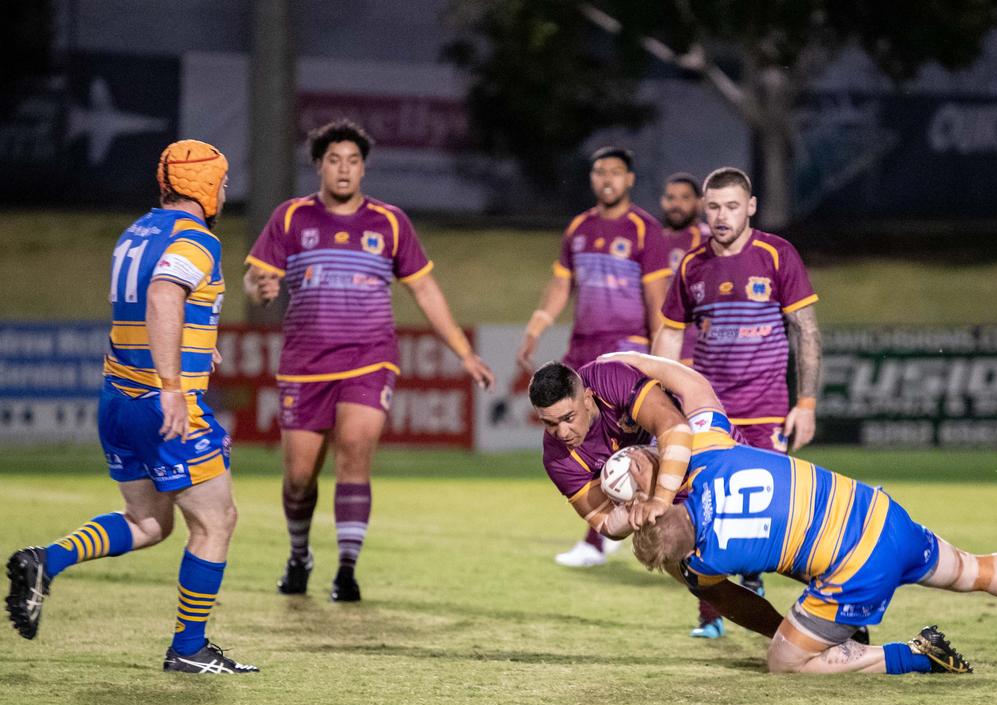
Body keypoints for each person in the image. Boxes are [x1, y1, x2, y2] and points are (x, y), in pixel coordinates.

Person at [610, 352, 997, 676]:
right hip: (879, 512)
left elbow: (745, 608)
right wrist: (631, 361)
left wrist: (788, 635)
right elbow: (695, 387)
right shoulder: (706, 450)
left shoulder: (703, 562)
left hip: (856, 568)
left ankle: (916, 655)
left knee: (785, 663)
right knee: (976, 570)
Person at [5, 140, 258, 673]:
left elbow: (144, 301)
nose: (226, 190)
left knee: (148, 522)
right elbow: (165, 294)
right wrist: (170, 384)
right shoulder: (195, 239)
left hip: (116, 398)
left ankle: (46, 561)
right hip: (159, 404)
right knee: (217, 522)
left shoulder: (136, 232)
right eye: (223, 180)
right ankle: (188, 649)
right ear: (206, 185)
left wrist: (199, 337)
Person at [243, 120, 494, 602]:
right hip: (304, 364)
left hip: (368, 358)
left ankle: (346, 569)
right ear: (319, 165)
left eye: (353, 161)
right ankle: (299, 556)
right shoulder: (292, 218)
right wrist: (261, 288)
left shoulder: (390, 222)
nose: (343, 169)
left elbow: (423, 288)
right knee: (298, 480)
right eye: (334, 160)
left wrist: (464, 353)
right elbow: (256, 280)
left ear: (363, 168)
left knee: (355, 453)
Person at [651, 167, 823, 637]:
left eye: (731, 206)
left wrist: (805, 403)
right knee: (701, 508)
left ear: (750, 207)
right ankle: (712, 614)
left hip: (767, 405)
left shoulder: (776, 254)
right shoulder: (691, 265)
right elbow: (669, 333)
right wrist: (661, 398)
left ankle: (809, 603)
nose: (721, 216)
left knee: (773, 514)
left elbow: (805, 329)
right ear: (702, 210)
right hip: (710, 413)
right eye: (713, 207)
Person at [528, 359, 781, 634]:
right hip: (658, 491)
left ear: (587, 399)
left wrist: (659, 498)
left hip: (698, 451)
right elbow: (606, 525)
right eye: (550, 423)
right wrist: (641, 499)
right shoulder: (558, 460)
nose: (562, 433)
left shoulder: (607, 379)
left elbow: (675, 428)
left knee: (776, 530)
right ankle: (785, 636)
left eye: (568, 418)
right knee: (700, 581)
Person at [517, 146, 671, 568]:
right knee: (577, 439)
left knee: (628, 441)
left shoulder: (644, 230)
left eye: (615, 172)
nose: (606, 179)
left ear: (630, 179)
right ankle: (601, 533)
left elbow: (658, 300)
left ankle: (603, 537)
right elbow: (560, 285)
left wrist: (663, 358)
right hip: (583, 347)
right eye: (599, 172)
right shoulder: (579, 229)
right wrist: (537, 324)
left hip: (626, 346)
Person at [658, 172, 710, 366]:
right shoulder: (655, 240)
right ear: (663, 202)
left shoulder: (709, 240)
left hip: (694, 347)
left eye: (684, 198)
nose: (676, 204)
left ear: (700, 203)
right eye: (671, 198)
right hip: (658, 342)